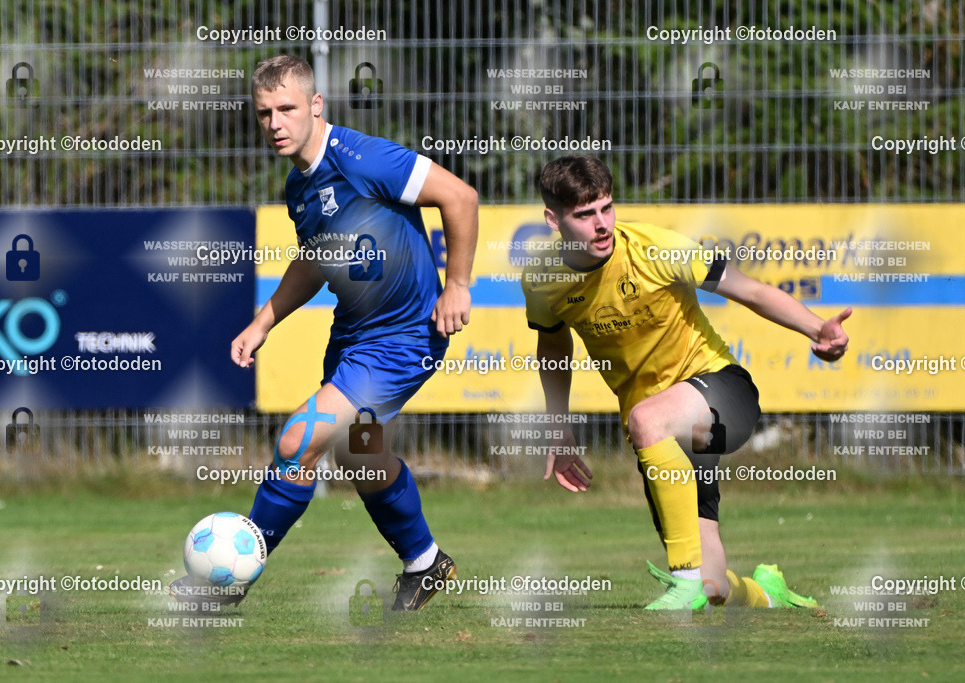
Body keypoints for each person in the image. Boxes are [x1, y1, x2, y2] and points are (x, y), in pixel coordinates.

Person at [172, 54, 478, 610]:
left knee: (297, 440)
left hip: (404, 338)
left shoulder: (363, 157)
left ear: (316, 105)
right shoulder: (300, 188)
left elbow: (460, 197)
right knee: (361, 455)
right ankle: (426, 562)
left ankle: (229, 577)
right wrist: (264, 321)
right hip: (354, 338)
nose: (275, 123)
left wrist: (457, 283)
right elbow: (315, 260)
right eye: (264, 113)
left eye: (287, 108)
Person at [523, 155, 850, 610]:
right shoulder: (543, 280)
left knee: (647, 419)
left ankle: (683, 579)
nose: (601, 225)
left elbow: (750, 290)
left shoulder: (656, 249)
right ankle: (766, 593)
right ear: (552, 219)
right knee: (715, 587)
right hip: (664, 439)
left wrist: (817, 329)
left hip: (721, 392)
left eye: (606, 208)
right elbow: (554, 348)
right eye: (584, 214)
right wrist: (559, 428)